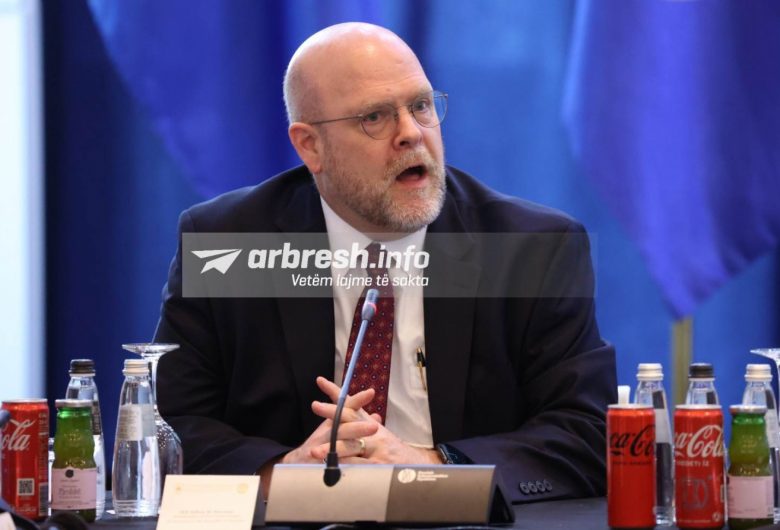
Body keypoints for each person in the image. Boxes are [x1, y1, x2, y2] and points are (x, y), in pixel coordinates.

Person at [154, 22, 616, 504]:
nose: (411, 134)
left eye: (421, 106)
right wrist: (284, 470)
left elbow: (586, 430)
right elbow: (170, 423)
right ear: (310, 145)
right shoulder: (229, 243)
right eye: (374, 117)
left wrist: (432, 466)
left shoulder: (530, 249)